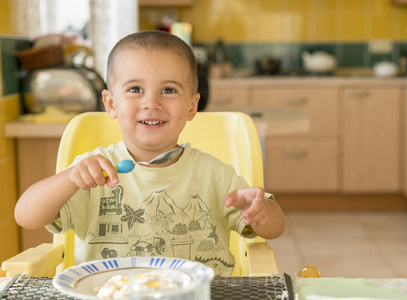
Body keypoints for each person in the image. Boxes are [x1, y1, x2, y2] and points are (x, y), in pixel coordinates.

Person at [15, 30, 285, 276]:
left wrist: (262, 212)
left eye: (168, 90)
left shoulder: (215, 174)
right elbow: (26, 216)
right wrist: (70, 178)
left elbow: (275, 228)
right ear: (111, 103)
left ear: (192, 107)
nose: (151, 103)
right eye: (135, 89)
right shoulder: (90, 172)